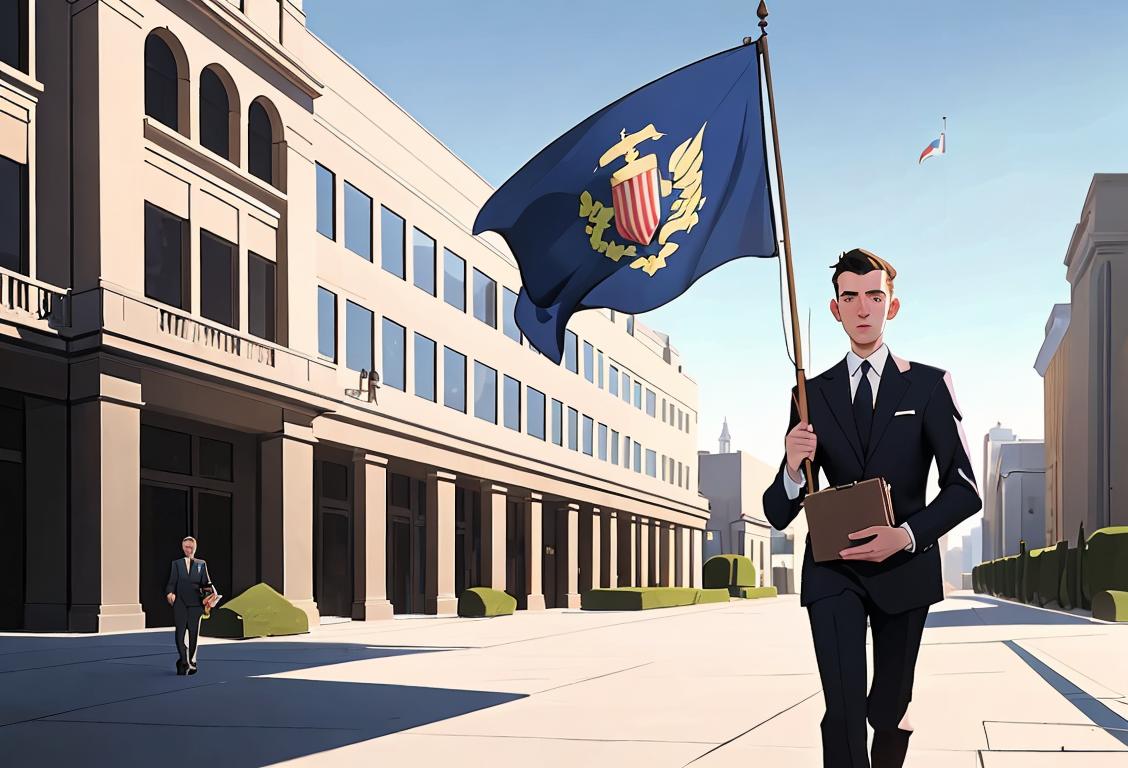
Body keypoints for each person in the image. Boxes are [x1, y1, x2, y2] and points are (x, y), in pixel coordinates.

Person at [762, 249, 982, 768]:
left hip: (905, 567)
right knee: (841, 710)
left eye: (875, 297)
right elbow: (776, 511)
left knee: (888, 709)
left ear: (893, 306)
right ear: (835, 309)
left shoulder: (927, 385)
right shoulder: (809, 395)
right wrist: (794, 468)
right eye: (850, 297)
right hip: (833, 569)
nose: (863, 308)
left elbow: (964, 488)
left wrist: (905, 534)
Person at [165, 536, 215, 676]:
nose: (189, 549)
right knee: (180, 634)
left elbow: (207, 584)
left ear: (195, 547)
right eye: (186, 546)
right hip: (180, 604)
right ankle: (183, 659)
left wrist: (210, 598)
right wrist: (170, 594)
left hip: (196, 605)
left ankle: (192, 662)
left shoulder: (201, 564)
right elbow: (171, 583)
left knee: (194, 635)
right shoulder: (176, 564)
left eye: (191, 547)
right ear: (182, 547)